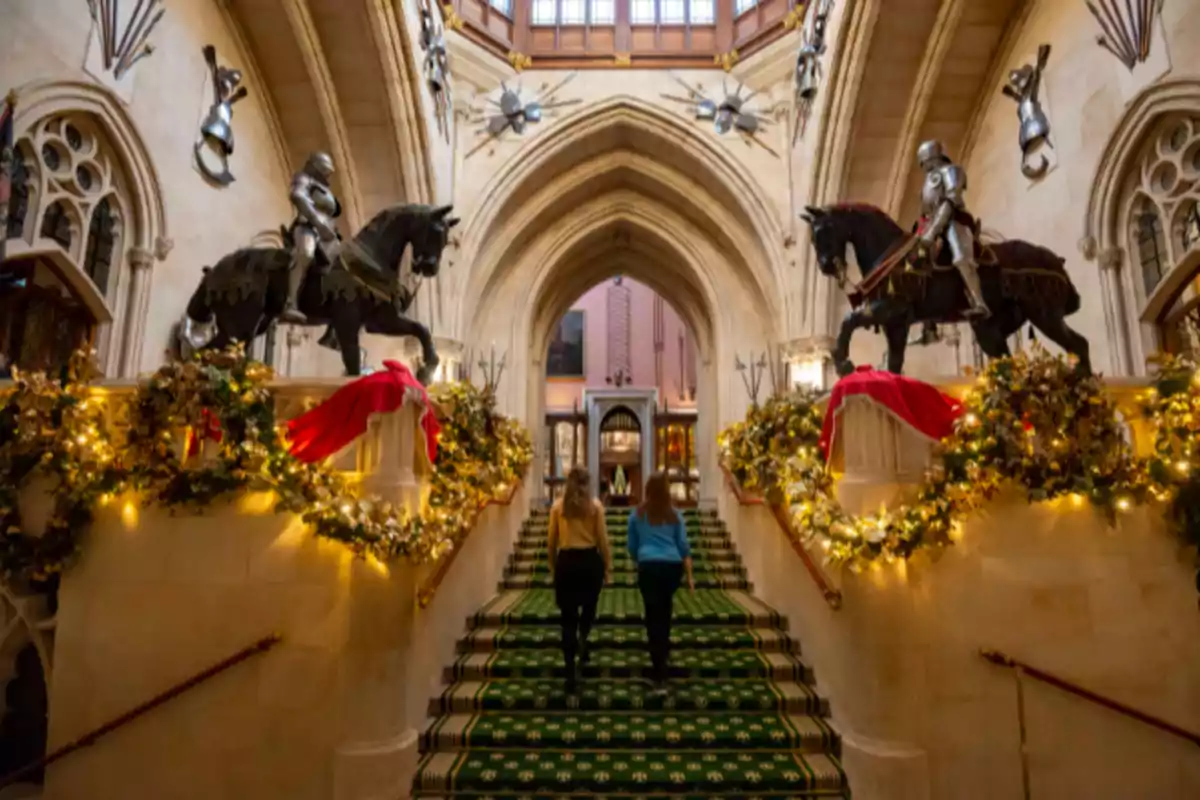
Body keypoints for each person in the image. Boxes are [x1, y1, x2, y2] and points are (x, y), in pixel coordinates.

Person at [627, 472, 694, 694]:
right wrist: (690, 575)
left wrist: (641, 558)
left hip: (649, 566)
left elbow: (631, 547)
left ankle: (658, 669)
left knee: (652, 615)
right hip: (672, 568)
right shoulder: (675, 515)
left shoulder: (637, 515)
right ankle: (662, 662)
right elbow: (683, 546)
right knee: (664, 613)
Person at [547, 467, 612, 694]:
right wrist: (607, 566)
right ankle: (583, 639)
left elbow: (551, 542)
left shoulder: (558, 507)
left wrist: (554, 568)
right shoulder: (595, 507)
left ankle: (569, 673)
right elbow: (603, 540)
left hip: (567, 562)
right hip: (589, 563)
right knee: (589, 608)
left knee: (567, 619)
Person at [915, 139, 989, 318]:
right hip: (933, 225)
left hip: (954, 220)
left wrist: (933, 232)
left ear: (931, 157)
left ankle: (980, 303)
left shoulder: (952, 171)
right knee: (918, 265)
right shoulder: (927, 183)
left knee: (960, 258)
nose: (923, 166)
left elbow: (951, 200)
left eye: (924, 162)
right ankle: (928, 324)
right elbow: (925, 212)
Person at [282, 152, 342, 324]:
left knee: (345, 269)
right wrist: (316, 221)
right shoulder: (304, 179)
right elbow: (297, 195)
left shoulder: (327, 191)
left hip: (328, 236)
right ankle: (290, 302)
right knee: (305, 254)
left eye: (328, 171)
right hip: (307, 227)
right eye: (323, 169)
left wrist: (327, 229)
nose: (326, 173)